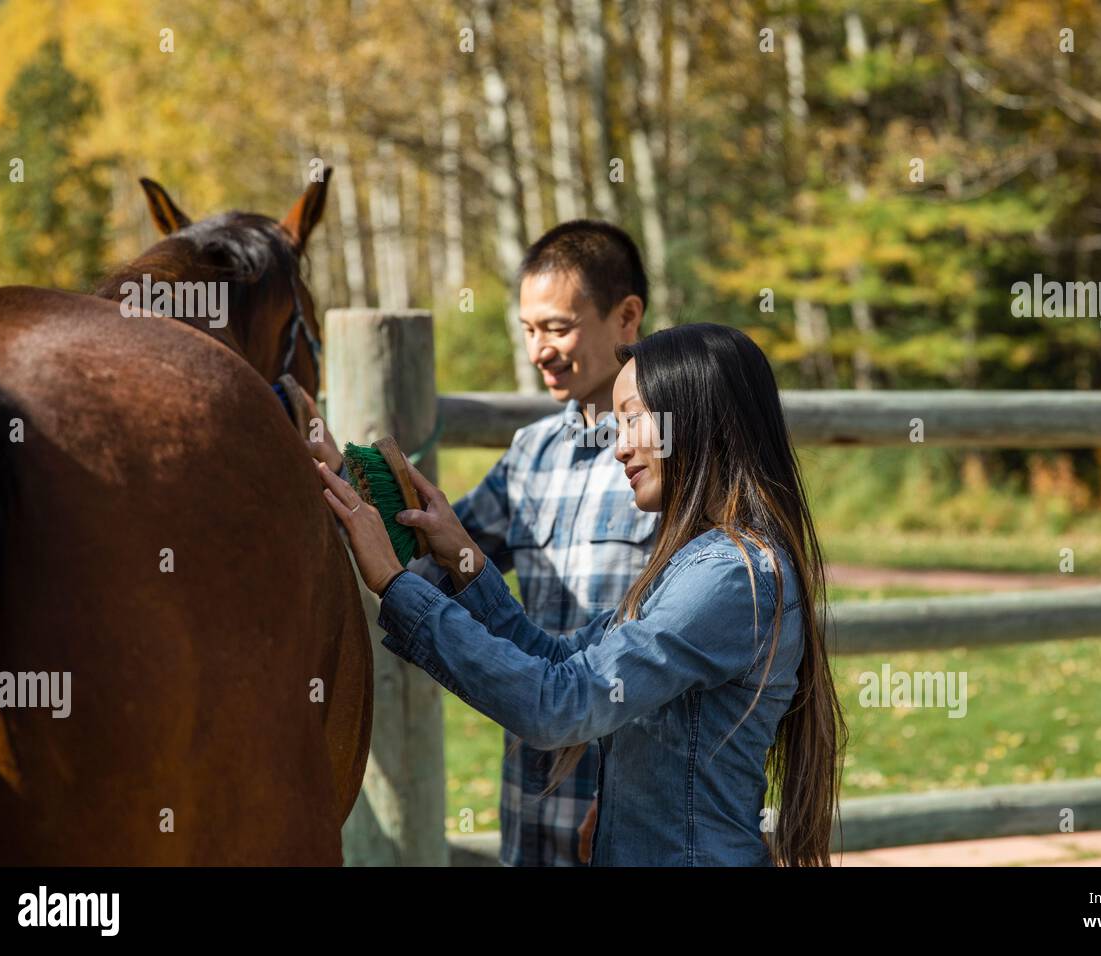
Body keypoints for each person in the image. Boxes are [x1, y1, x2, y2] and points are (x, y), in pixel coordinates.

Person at [316, 323, 847, 866]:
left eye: (634, 418)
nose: (620, 448)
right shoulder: (695, 564)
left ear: (699, 415)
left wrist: (394, 584)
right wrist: (463, 557)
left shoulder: (729, 576)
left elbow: (560, 705)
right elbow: (560, 662)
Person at [311, 220, 657, 867]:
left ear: (627, 317)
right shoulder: (530, 454)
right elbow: (438, 557)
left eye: (557, 327)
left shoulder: (670, 462)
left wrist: (626, 801)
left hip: (624, 807)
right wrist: (342, 478)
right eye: (527, 330)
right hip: (529, 802)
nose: (539, 350)